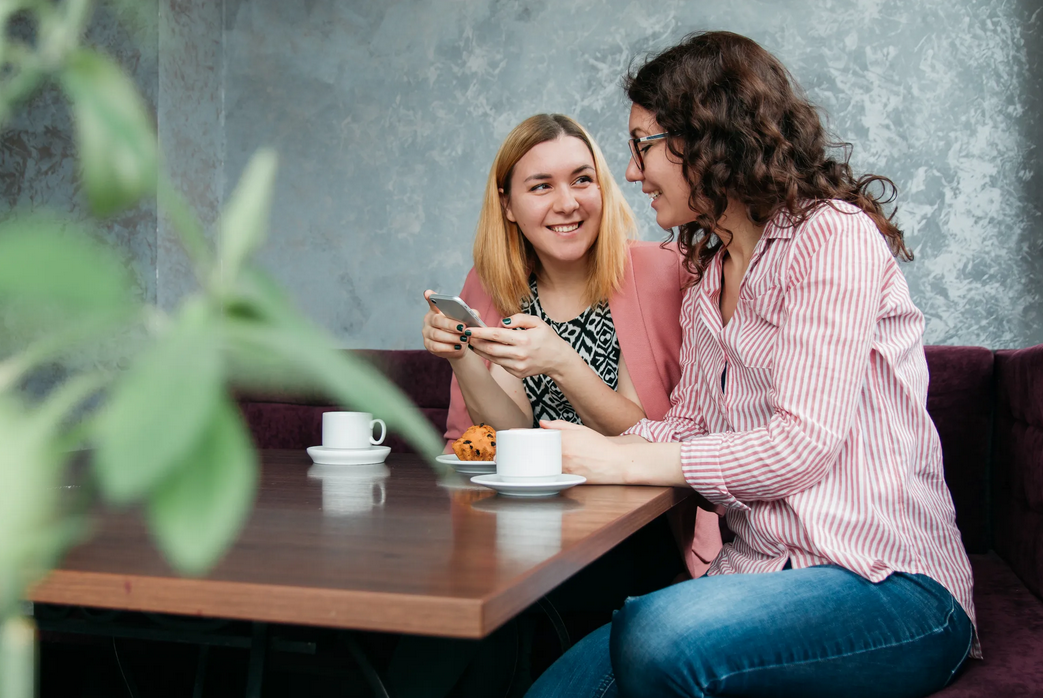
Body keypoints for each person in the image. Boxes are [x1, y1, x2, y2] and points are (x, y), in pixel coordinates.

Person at [527, 31, 978, 698]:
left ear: (708, 137)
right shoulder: (706, 279)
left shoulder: (831, 235)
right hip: (758, 573)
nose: (629, 172)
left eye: (642, 145)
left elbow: (799, 447)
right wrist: (582, 448)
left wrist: (619, 461)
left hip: (890, 586)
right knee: (552, 690)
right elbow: (684, 432)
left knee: (658, 635)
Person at [422, 112, 722, 575]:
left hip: (638, 532)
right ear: (507, 205)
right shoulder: (491, 284)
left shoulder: (663, 271)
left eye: (582, 180)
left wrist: (561, 361)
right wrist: (461, 356)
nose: (568, 204)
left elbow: (644, 437)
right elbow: (512, 432)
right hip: (522, 525)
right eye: (541, 186)